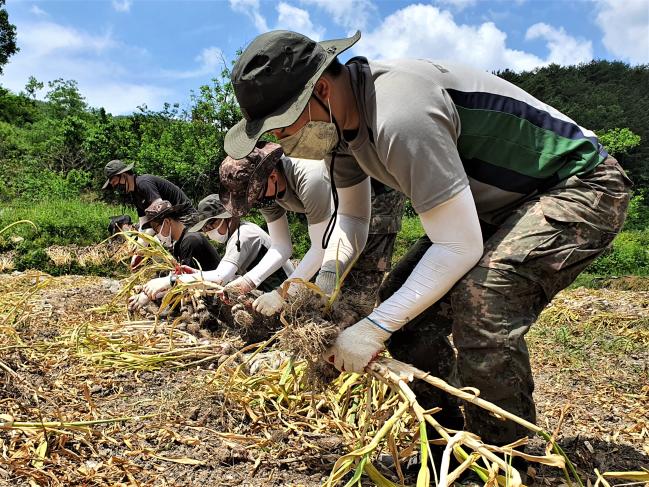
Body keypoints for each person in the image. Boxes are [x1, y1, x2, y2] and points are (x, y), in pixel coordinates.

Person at [223, 30, 632, 453]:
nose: (281, 141)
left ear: (321, 89)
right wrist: (326, 282)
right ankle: (450, 437)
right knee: (402, 302)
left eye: (281, 126)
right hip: (497, 210)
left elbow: (458, 246)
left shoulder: (398, 115)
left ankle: (509, 459)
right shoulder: (340, 132)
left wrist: (374, 328)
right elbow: (352, 218)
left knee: (485, 297)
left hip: (580, 185)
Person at [218, 142, 334, 315]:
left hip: (368, 210)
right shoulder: (265, 193)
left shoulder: (309, 176)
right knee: (322, 300)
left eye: (254, 197)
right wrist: (247, 281)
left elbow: (322, 247)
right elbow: (282, 246)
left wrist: (282, 293)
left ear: (272, 176)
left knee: (346, 297)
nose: (255, 204)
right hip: (332, 226)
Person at [180, 193, 295, 293]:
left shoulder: (243, 236)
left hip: (285, 294)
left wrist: (177, 280)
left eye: (212, 224)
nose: (209, 230)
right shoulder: (239, 232)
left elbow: (221, 277)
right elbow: (230, 277)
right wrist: (198, 273)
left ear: (228, 217)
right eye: (205, 228)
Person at [128, 200, 221, 311]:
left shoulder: (191, 241)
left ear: (167, 222)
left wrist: (151, 295)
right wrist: (149, 291)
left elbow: (186, 284)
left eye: (156, 229)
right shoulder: (180, 244)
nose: (157, 234)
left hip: (214, 298)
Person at [102, 159, 198, 226]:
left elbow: (159, 209)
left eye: (115, 182)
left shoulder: (143, 183)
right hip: (169, 220)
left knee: (161, 242)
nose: (115, 187)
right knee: (138, 230)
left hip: (186, 216)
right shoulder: (134, 194)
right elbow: (143, 221)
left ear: (123, 175)